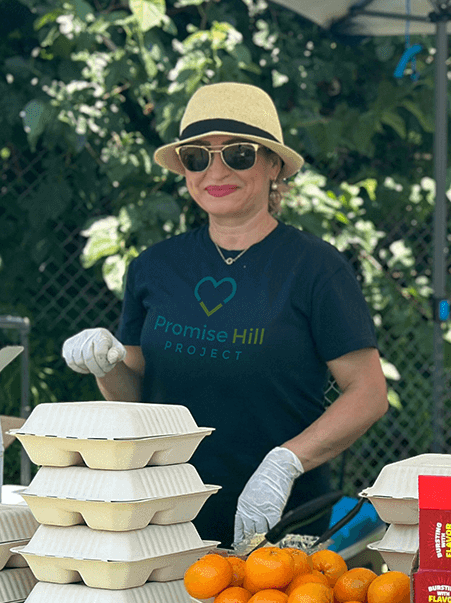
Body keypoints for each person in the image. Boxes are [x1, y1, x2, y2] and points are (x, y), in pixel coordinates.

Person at [61, 82, 389, 549]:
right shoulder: (154, 266)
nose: (216, 169)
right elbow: (134, 396)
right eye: (198, 156)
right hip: (163, 518)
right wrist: (106, 364)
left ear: (274, 165)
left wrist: (285, 463)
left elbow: (370, 393)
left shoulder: (316, 268)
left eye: (238, 154)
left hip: (283, 524)